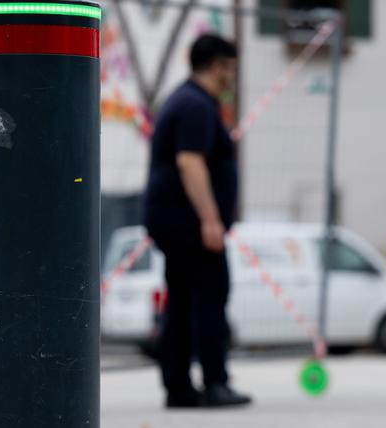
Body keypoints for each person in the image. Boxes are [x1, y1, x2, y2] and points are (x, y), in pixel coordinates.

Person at [142, 34, 252, 409]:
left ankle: (179, 387)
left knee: (183, 303)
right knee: (209, 298)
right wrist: (210, 219)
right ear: (218, 66)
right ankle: (215, 382)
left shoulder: (183, 100)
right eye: (230, 69)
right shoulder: (196, 106)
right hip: (190, 224)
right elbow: (190, 162)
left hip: (176, 222)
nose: (231, 78)